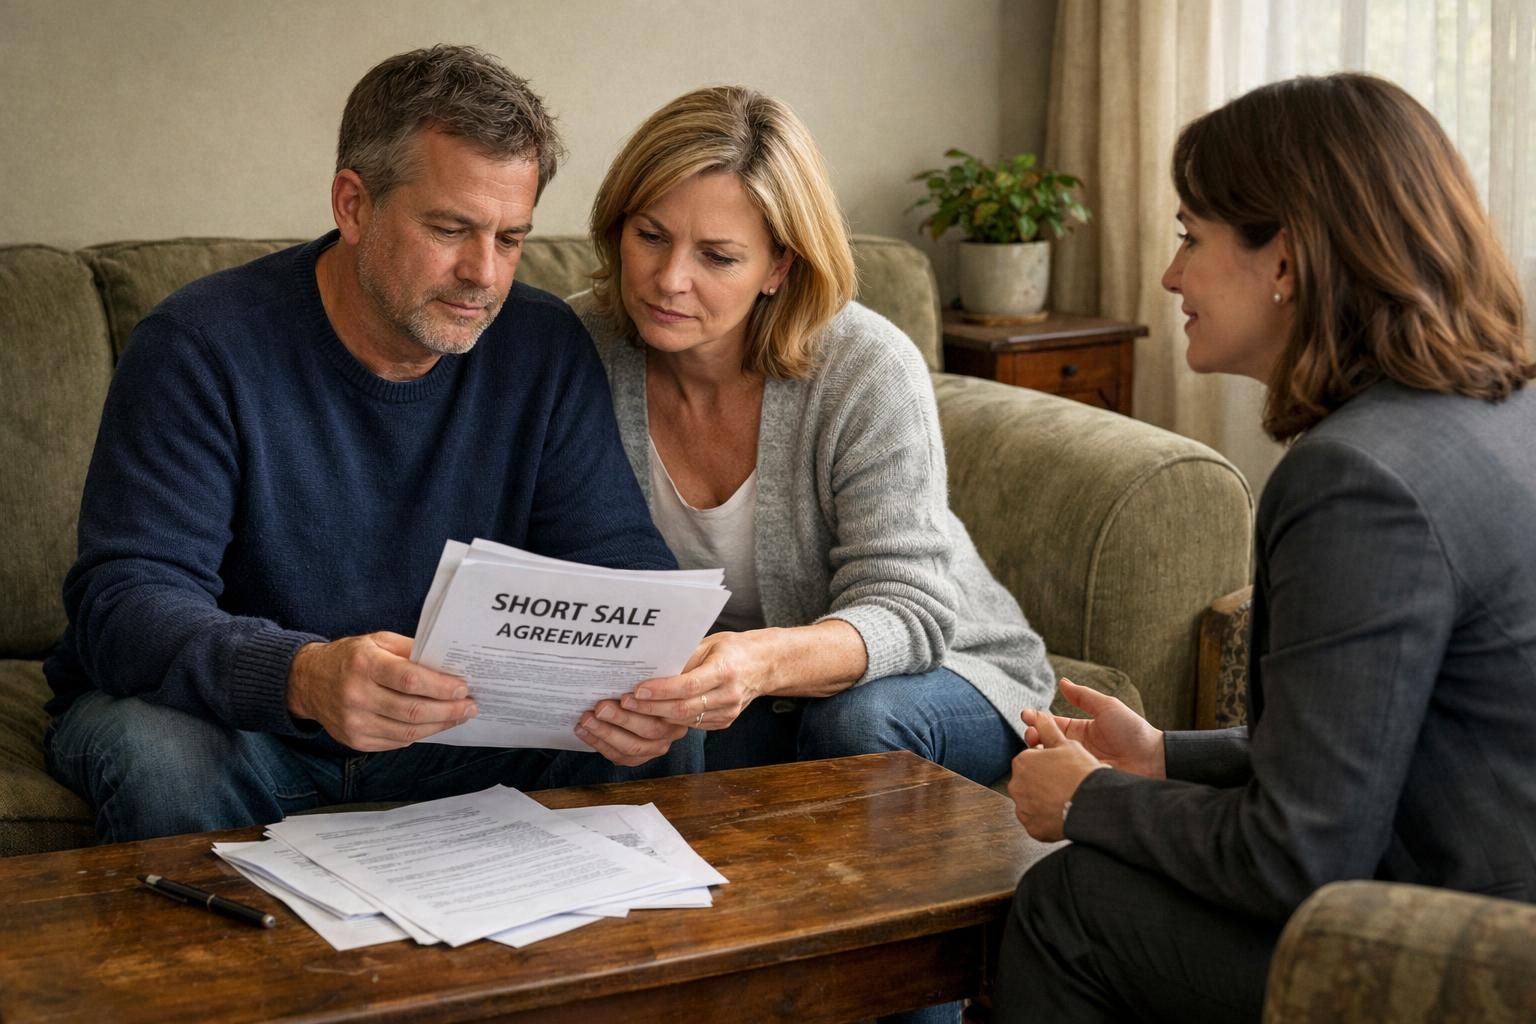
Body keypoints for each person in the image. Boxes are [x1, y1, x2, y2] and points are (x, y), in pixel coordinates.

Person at [43, 45, 699, 845]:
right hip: (252, 732)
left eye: (511, 238)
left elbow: (619, 562)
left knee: (668, 731)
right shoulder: (201, 345)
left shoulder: (541, 344)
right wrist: (302, 676)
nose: (482, 274)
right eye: (451, 228)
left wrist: (653, 679)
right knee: (161, 758)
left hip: (460, 736)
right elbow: (125, 600)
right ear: (353, 205)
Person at [993, 73, 1536, 1023]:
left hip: (1470, 962)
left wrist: (1089, 803)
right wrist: (1163, 757)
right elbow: (1370, 743)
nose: (1170, 277)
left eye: (1190, 239)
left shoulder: (1358, 482)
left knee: (1070, 906)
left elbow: (1299, 857)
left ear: (1283, 258)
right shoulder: (1500, 409)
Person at [573, 86, 1056, 796]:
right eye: (650, 236)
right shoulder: (579, 347)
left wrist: (761, 663)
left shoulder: (866, 368)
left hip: (944, 668)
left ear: (779, 267)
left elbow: (906, 610)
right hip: (737, 692)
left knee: (855, 729)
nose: (670, 279)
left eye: (717, 256)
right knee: (648, 729)